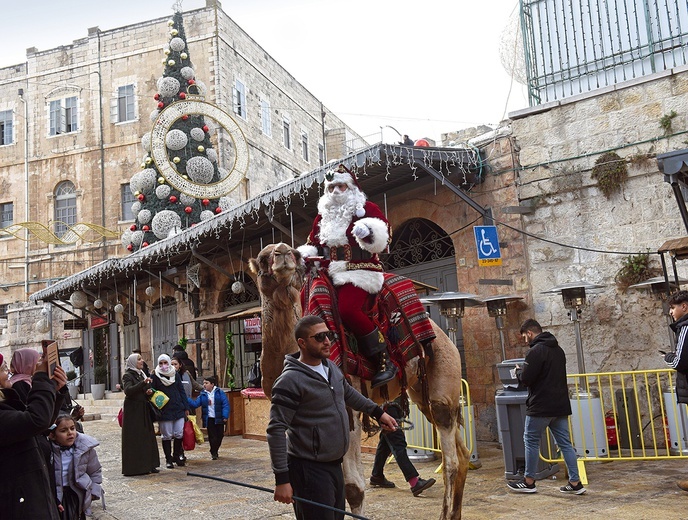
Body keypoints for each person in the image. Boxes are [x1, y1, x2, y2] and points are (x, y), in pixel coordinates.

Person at [267, 315, 398, 520]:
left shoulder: (329, 367)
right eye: (319, 337)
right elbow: (275, 430)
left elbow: (347, 393)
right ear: (302, 343)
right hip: (308, 471)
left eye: (328, 335)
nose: (327, 341)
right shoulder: (289, 381)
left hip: (334, 467)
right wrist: (282, 480)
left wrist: (378, 413)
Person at [297, 164, 397, 388]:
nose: (335, 192)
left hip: (360, 271)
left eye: (340, 186)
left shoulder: (366, 208)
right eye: (331, 187)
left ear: (351, 188)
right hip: (329, 272)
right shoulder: (322, 218)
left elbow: (385, 234)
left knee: (347, 310)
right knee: (305, 301)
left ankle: (383, 360)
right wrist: (304, 256)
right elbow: (312, 244)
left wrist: (369, 232)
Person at [507, 319, 586, 495]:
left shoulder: (535, 352)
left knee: (531, 441)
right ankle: (575, 482)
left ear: (529, 333)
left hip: (541, 406)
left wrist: (519, 371)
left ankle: (528, 482)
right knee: (565, 444)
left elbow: (527, 379)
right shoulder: (558, 350)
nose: (525, 341)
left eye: (524, 337)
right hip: (560, 405)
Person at [0, 353, 67, 519]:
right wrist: (42, 378)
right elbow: (36, 420)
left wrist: (55, 390)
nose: (8, 372)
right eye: (3, 369)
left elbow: (37, 426)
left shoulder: (6, 401)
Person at [369, 398, 436, 496]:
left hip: (387, 405)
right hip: (388, 405)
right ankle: (414, 482)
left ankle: (377, 476)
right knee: (397, 442)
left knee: (385, 442)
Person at [49, 414, 103, 519]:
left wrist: (92, 493)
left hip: (77, 495)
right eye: (63, 430)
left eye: (72, 428)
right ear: (53, 435)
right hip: (57, 495)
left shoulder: (85, 449)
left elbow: (95, 471)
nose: (70, 433)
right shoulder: (49, 450)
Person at [663, 290, 688, 491]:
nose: (671, 312)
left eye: (673, 307)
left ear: (684, 307)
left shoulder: (685, 327)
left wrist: (668, 358)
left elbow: (680, 361)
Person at [121, 353, 160, 476]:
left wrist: (148, 392)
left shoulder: (141, 373)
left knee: (147, 436)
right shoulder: (128, 375)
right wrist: (143, 383)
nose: (141, 361)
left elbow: (141, 390)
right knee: (136, 438)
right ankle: (136, 467)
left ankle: (150, 464)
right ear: (133, 362)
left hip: (143, 409)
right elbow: (128, 391)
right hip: (133, 411)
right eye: (138, 359)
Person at [151, 353, 190, 469]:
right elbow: (152, 392)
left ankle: (176, 456)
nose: (163, 365)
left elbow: (181, 391)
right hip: (164, 410)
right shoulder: (155, 376)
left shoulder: (175, 374)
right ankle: (168, 459)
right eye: (161, 363)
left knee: (179, 433)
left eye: (165, 363)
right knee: (167, 435)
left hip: (177, 408)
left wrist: (186, 407)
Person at [188, 374, 229, 460]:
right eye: (204, 383)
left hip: (219, 417)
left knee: (220, 435)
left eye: (206, 383)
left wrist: (225, 416)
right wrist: (186, 399)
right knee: (212, 436)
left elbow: (225, 404)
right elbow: (195, 404)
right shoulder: (203, 394)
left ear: (212, 384)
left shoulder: (219, 392)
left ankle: (216, 449)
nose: (204, 385)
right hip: (209, 418)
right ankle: (213, 452)